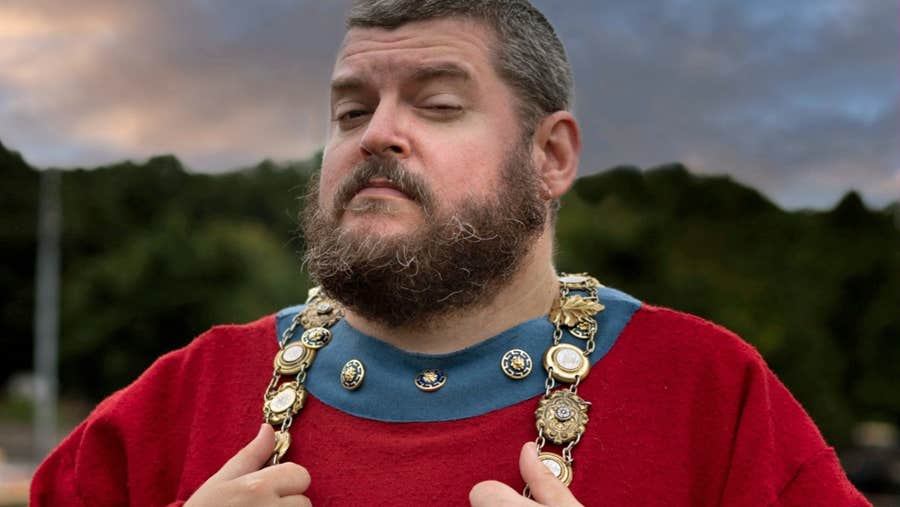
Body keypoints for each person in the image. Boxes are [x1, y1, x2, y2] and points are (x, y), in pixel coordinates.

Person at [31, 1, 868, 505]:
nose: (378, 135)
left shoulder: (708, 394)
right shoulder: (185, 395)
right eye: (351, 112)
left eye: (436, 104)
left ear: (551, 157)